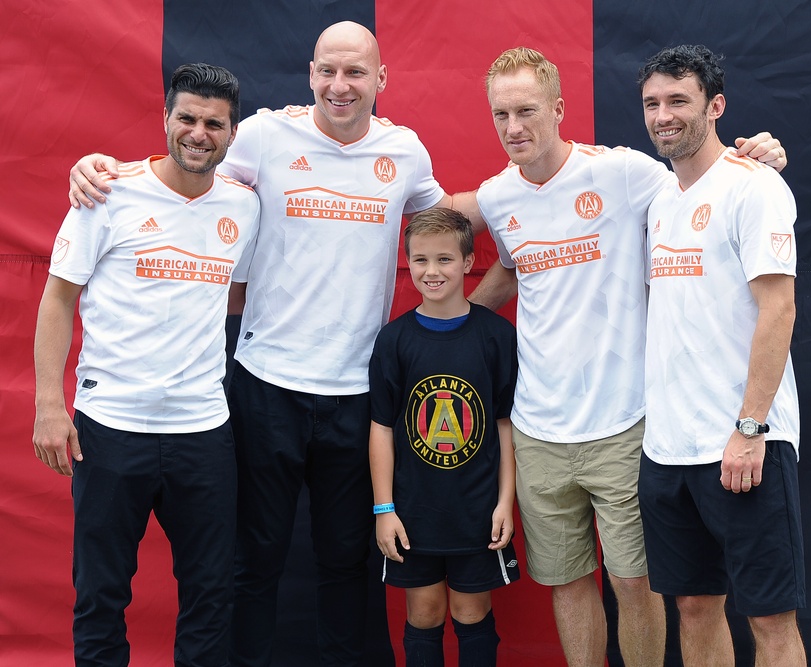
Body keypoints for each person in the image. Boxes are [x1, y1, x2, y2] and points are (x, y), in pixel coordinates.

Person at [65, 21, 486, 667]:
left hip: (356, 392)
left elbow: (444, 218)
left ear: (381, 80)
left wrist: (532, 183)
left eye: (354, 73)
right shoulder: (262, 135)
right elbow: (187, 171)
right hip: (264, 384)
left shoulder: (404, 152)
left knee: (347, 563)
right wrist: (101, 170)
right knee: (252, 561)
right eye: (327, 71)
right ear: (310, 74)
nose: (339, 86)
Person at [470, 47, 788, 667]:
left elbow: (707, 174)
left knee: (635, 583)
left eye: (528, 111)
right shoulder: (497, 194)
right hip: (536, 428)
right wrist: (446, 330)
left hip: (625, 425)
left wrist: (762, 153)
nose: (515, 128)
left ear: (559, 110)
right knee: (565, 580)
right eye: (501, 115)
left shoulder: (623, 173)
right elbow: (510, 270)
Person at [33, 63, 259, 666]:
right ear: (165, 120)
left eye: (214, 123)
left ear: (232, 133)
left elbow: (236, 297)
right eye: (186, 118)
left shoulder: (245, 206)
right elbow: (58, 299)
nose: (198, 133)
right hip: (110, 427)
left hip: (203, 432)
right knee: (101, 595)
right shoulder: (107, 193)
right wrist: (49, 408)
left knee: (211, 595)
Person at [637, 45, 806, 666]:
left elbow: (779, 310)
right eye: (653, 103)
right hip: (668, 450)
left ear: (717, 105)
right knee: (694, 607)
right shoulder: (659, 199)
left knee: (770, 618)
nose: (663, 116)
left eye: (678, 101)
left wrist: (749, 428)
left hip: (745, 444)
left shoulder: (754, 186)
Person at [368, 208, 519, 667]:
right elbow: (382, 429)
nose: (431, 271)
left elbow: (504, 424)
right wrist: (384, 509)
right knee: (426, 611)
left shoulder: (496, 336)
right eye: (420, 260)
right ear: (408, 263)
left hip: (477, 511)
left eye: (444, 260)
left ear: (469, 261)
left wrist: (504, 503)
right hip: (414, 513)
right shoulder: (394, 340)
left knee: (470, 610)